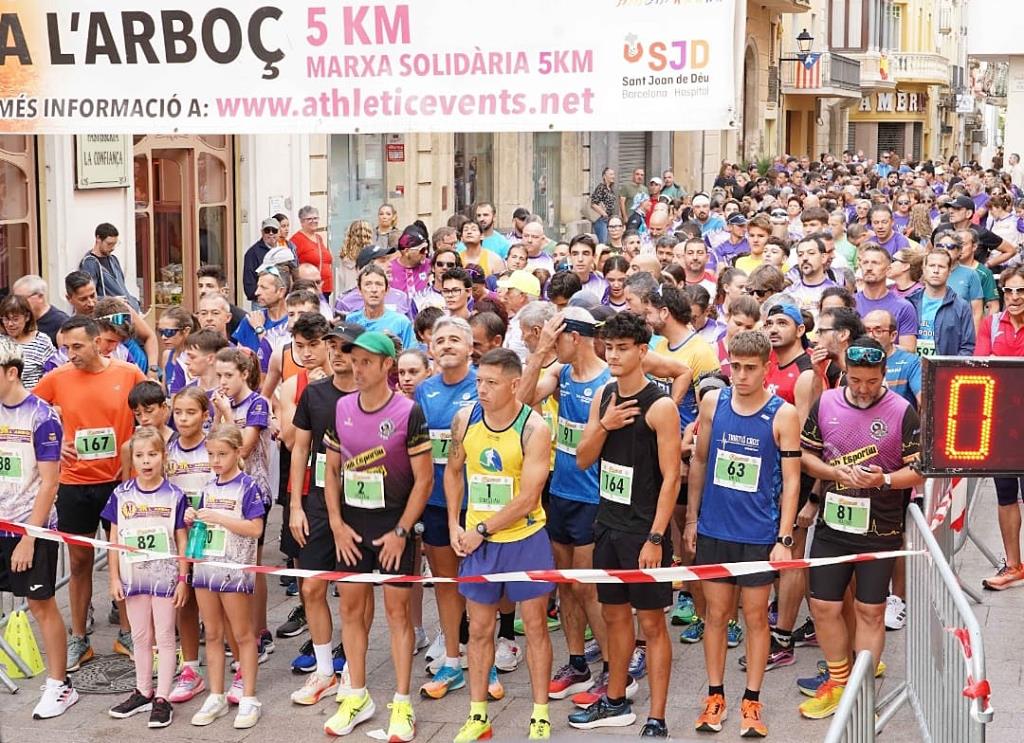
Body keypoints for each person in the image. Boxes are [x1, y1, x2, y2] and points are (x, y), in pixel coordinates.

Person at [567, 311, 680, 736]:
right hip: (608, 524)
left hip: (643, 530)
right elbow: (582, 458)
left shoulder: (661, 405)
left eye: (622, 348)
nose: (613, 355)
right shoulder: (605, 396)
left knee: (651, 623)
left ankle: (658, 715)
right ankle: (615, 701)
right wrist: (604, 424)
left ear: (641, 351)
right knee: (614, 618)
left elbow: (672, 477)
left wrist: (656, 537)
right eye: (608, 347)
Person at [798, 337, 923, 719]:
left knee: (870, 611)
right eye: (855, 380)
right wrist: (834, 472)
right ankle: (839, 681)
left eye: (871, 381)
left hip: (880, 526)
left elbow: (918, 469)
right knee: (822, 604)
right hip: (833, 521)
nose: (863, 388)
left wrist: (882, 481)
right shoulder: (827, 402)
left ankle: (861, 691)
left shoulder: (902, 410)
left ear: (884, 375)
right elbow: (805, 455)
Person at [685, 331, 801, 738]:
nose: (742, 375)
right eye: (735, 366)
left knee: (754, 617)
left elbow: (791, 481)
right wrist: (691, 519)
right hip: (715, 529)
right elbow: (699, 462)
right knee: (715, 616)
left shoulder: (782, 414)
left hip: (757, 535)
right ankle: (714, 696)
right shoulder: (713, 402)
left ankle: (752, 700)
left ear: (766, 367)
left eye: (751, 368)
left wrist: (784, 539)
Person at [321, 332, 432, 741]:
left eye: (367, 361)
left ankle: (402, 704)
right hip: (351, 527)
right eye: (355, 361)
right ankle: (357, 695)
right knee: (351, 611)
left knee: (398, 615)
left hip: (394, 529)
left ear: (388, 365)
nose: (358, 368)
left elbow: (424, 481)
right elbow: (331, 471)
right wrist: (336, 523)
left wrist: (402, 531)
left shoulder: (408, 412)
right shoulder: (342, 406)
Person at [446, 348, 555, 742]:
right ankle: (478, 715)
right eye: (478, 381)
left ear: (513, 384)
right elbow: (454, 472)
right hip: (479, 541)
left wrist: (482, 529)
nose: (482, 389)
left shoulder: (534, 428)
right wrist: (454, 523)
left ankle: (540, 713)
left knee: (537, 626)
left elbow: (529, 497)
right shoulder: (465, 419)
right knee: (478, 629)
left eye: (491, 383)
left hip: (524, 538)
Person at [33, 316, 145, 670]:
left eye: (77, 346)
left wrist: (138, 450)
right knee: (79, 563)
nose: (70, 354)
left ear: (98, 342)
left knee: (125, 560)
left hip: (120, 484)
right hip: (75, 483)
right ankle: (79, 639)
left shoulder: (128, 374)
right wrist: (53, 441)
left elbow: (154, 411)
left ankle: (128, 633)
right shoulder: (58, 377)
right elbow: (28, 412)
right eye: (65, 347)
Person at [517, 308, 611, 701]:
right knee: (566, 588)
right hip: (562, 493)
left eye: (556, 339)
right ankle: (577, 664)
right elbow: (520, 405)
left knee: (589, 589)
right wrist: (539, 356)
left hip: (594, 498)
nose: (551, 346)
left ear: (575, 337)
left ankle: (614, 668)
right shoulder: (561, 373)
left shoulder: (608, 380)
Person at [0, 336, 76, 720]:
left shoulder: (42, 416)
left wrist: (29, 536)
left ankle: (59, 686)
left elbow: (50, 482)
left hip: (29, 526)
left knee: (40, 604)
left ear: (11, 373)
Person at [286, 322, 361, 684]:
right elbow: (299, 448)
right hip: (315, 501)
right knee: (312, 586)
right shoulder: (314, 394)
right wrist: (296, 506)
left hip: (360, 504)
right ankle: (323, 667)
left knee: (353, 591)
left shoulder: (372, 394)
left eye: (343, 347)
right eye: (332, 345)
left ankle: (352, 661)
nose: (335, 352)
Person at [102, 428, 188, 728]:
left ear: (163, 457)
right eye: (139, 455)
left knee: (165, 636)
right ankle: (142, 690)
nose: (146, 461)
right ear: (132, 459)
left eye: (152, 454)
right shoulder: (121, 494)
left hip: (164, 580)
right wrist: (113, 578)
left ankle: (162, 697)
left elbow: (181, 539)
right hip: (133, 578)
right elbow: (113, 540)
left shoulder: (175, 495)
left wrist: (182, 578)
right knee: (140, 637)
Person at [414, 317, 481, 698]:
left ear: (471, 347)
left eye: (455, 339)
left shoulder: (483, 385)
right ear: (431, 349)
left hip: (482, 504)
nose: (447, 345)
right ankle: (453, 660)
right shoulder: (425, 390)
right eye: (440, 340)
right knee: (445, 582)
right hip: (438, 503)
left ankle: (485, 655)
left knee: (480, 586)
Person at [186, 424, 267, 729]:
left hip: (234, 570)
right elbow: (203, 527)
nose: (216, 460)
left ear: (237, 452)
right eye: (210, 454)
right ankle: (216, 694)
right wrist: (193, 518)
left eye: (222, 454)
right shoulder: (207, 488)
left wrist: (220, 517)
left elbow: (256, 529)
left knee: (244, 634)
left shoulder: (248, 486)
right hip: (206, 568)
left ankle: (248, 697)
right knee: (212, 634)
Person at [976, 266, 1024, 589]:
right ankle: (1014, 565)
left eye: (1021, 291)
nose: (1015, 297)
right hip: (1002, 426)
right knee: (1005, 495)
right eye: (1009, 291)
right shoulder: (990, 324)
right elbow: (979, 369)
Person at [164, 387, 212, 703]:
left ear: (205, 416)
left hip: (212, 537)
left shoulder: (213, 448)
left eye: (191, 412)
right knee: (186, 602)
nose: (183, 418)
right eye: (178, 412)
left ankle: (237, 667)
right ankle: (191, 668)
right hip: (180, 538)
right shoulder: (168, 449)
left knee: (218, 606)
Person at [643, 285, 720, 427]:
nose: (646, 319)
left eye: (648, 313)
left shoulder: (702, 352)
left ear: (664, 312)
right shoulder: (661, 345)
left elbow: (710, 410)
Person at [908, 249, 976, 357]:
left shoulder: (961, 306)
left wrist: (950, 370)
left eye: (941, 267)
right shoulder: (909, 302)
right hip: (913, 369)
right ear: (924, 269)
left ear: (949, 272)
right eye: (931, 266)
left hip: (946, 370)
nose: (936, 270)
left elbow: (967, 346)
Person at [853, 245, 918, 353]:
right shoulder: (850, 304)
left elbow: (909, 350)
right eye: (865, 263)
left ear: (888, 270)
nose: (869, 268)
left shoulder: (904, 307)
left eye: (875, 263)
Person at [345, 266, 416, 351]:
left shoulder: (401, 322)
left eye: (379, 284)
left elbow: (412, 355)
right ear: (359, 290)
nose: (374, 290)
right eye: (368, 284)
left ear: (387, 290)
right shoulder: (351, 320)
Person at [862, 310, 921, 407]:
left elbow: (925, 401)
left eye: (878, 331)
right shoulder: (855, 359)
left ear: (893, 336)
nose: (870, 336)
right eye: (867, 331)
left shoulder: (911, 362)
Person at [79, 223, 141, 312]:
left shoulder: (113, 259)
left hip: (129, 311)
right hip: (112, 314)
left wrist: (134, 302)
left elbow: (122, 288)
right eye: (109, 244)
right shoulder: (90, 263)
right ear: (98, 239)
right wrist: (112, 301)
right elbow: (89, 295)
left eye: (115, 244)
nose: (112, 248)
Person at [0, 294, 55, 389]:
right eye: (6, 319)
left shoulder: (41, 341)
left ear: (27, 317)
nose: (10, 324)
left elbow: (53, 373)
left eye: (15, 319)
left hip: (33, 399)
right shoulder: (1, 341)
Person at [233, 268, 291, 356]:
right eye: (258, 287)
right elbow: (239, 360)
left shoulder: (293, 321)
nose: (256, 292)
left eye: (264, 288)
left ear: (281, 291)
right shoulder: (250, 320)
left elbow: (279, 359)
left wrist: (259, 329)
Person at [784, 236, 838, 328]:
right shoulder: (788, 293)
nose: (804, 258)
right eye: (800, 254)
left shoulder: (835, 293)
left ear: (823, 257)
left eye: (811, 253)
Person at [12, 275, 69, 347]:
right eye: (15, 299)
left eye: (22, 299)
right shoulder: (16, 321)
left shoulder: (61, 322)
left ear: (40, 297)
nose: (17, 303)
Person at [497, 270, 540, 361]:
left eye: (509, 291)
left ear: (522, 296)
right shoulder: (517, 320)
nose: (506, 295)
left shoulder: (531, 323)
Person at [292, 206, 334, 297]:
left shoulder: (318, 237)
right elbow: (293, 267)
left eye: (315, 218)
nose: (313, 221)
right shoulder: (296, 240)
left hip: (325, 288)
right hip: (310, 289)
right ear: (302, 222)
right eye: (309, 219)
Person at [243, 218, 287, 303]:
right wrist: (260, 296)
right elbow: (249, 283)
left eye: (274, 230)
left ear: (279, 232)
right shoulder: (252, 253)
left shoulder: (285, 249)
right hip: (262, 302)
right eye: (267, 230)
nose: (271, 233)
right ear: (262, 232)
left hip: (282, 301)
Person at [196, 265, 246, 338]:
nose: (203, 290)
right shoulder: (195, 317)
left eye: (209, 286)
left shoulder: (240, 320)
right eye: (200, 286)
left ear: (223, 291)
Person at [158, 306, 198, 395]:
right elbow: (165, 391)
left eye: (169, 332)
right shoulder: (167, 355)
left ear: (186, 331)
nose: (163, 337)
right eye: (161, 332)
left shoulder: (194, 358)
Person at [591, 168, 617, 244]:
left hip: (608, 219)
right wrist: (604, 214)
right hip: (601, 219)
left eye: (613, 174)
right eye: (611, 174)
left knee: (607, 242)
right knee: (602, 242)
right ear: (604, 176)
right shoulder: (601, 187)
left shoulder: (610, 189)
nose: (613, 176)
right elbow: (593, 203)